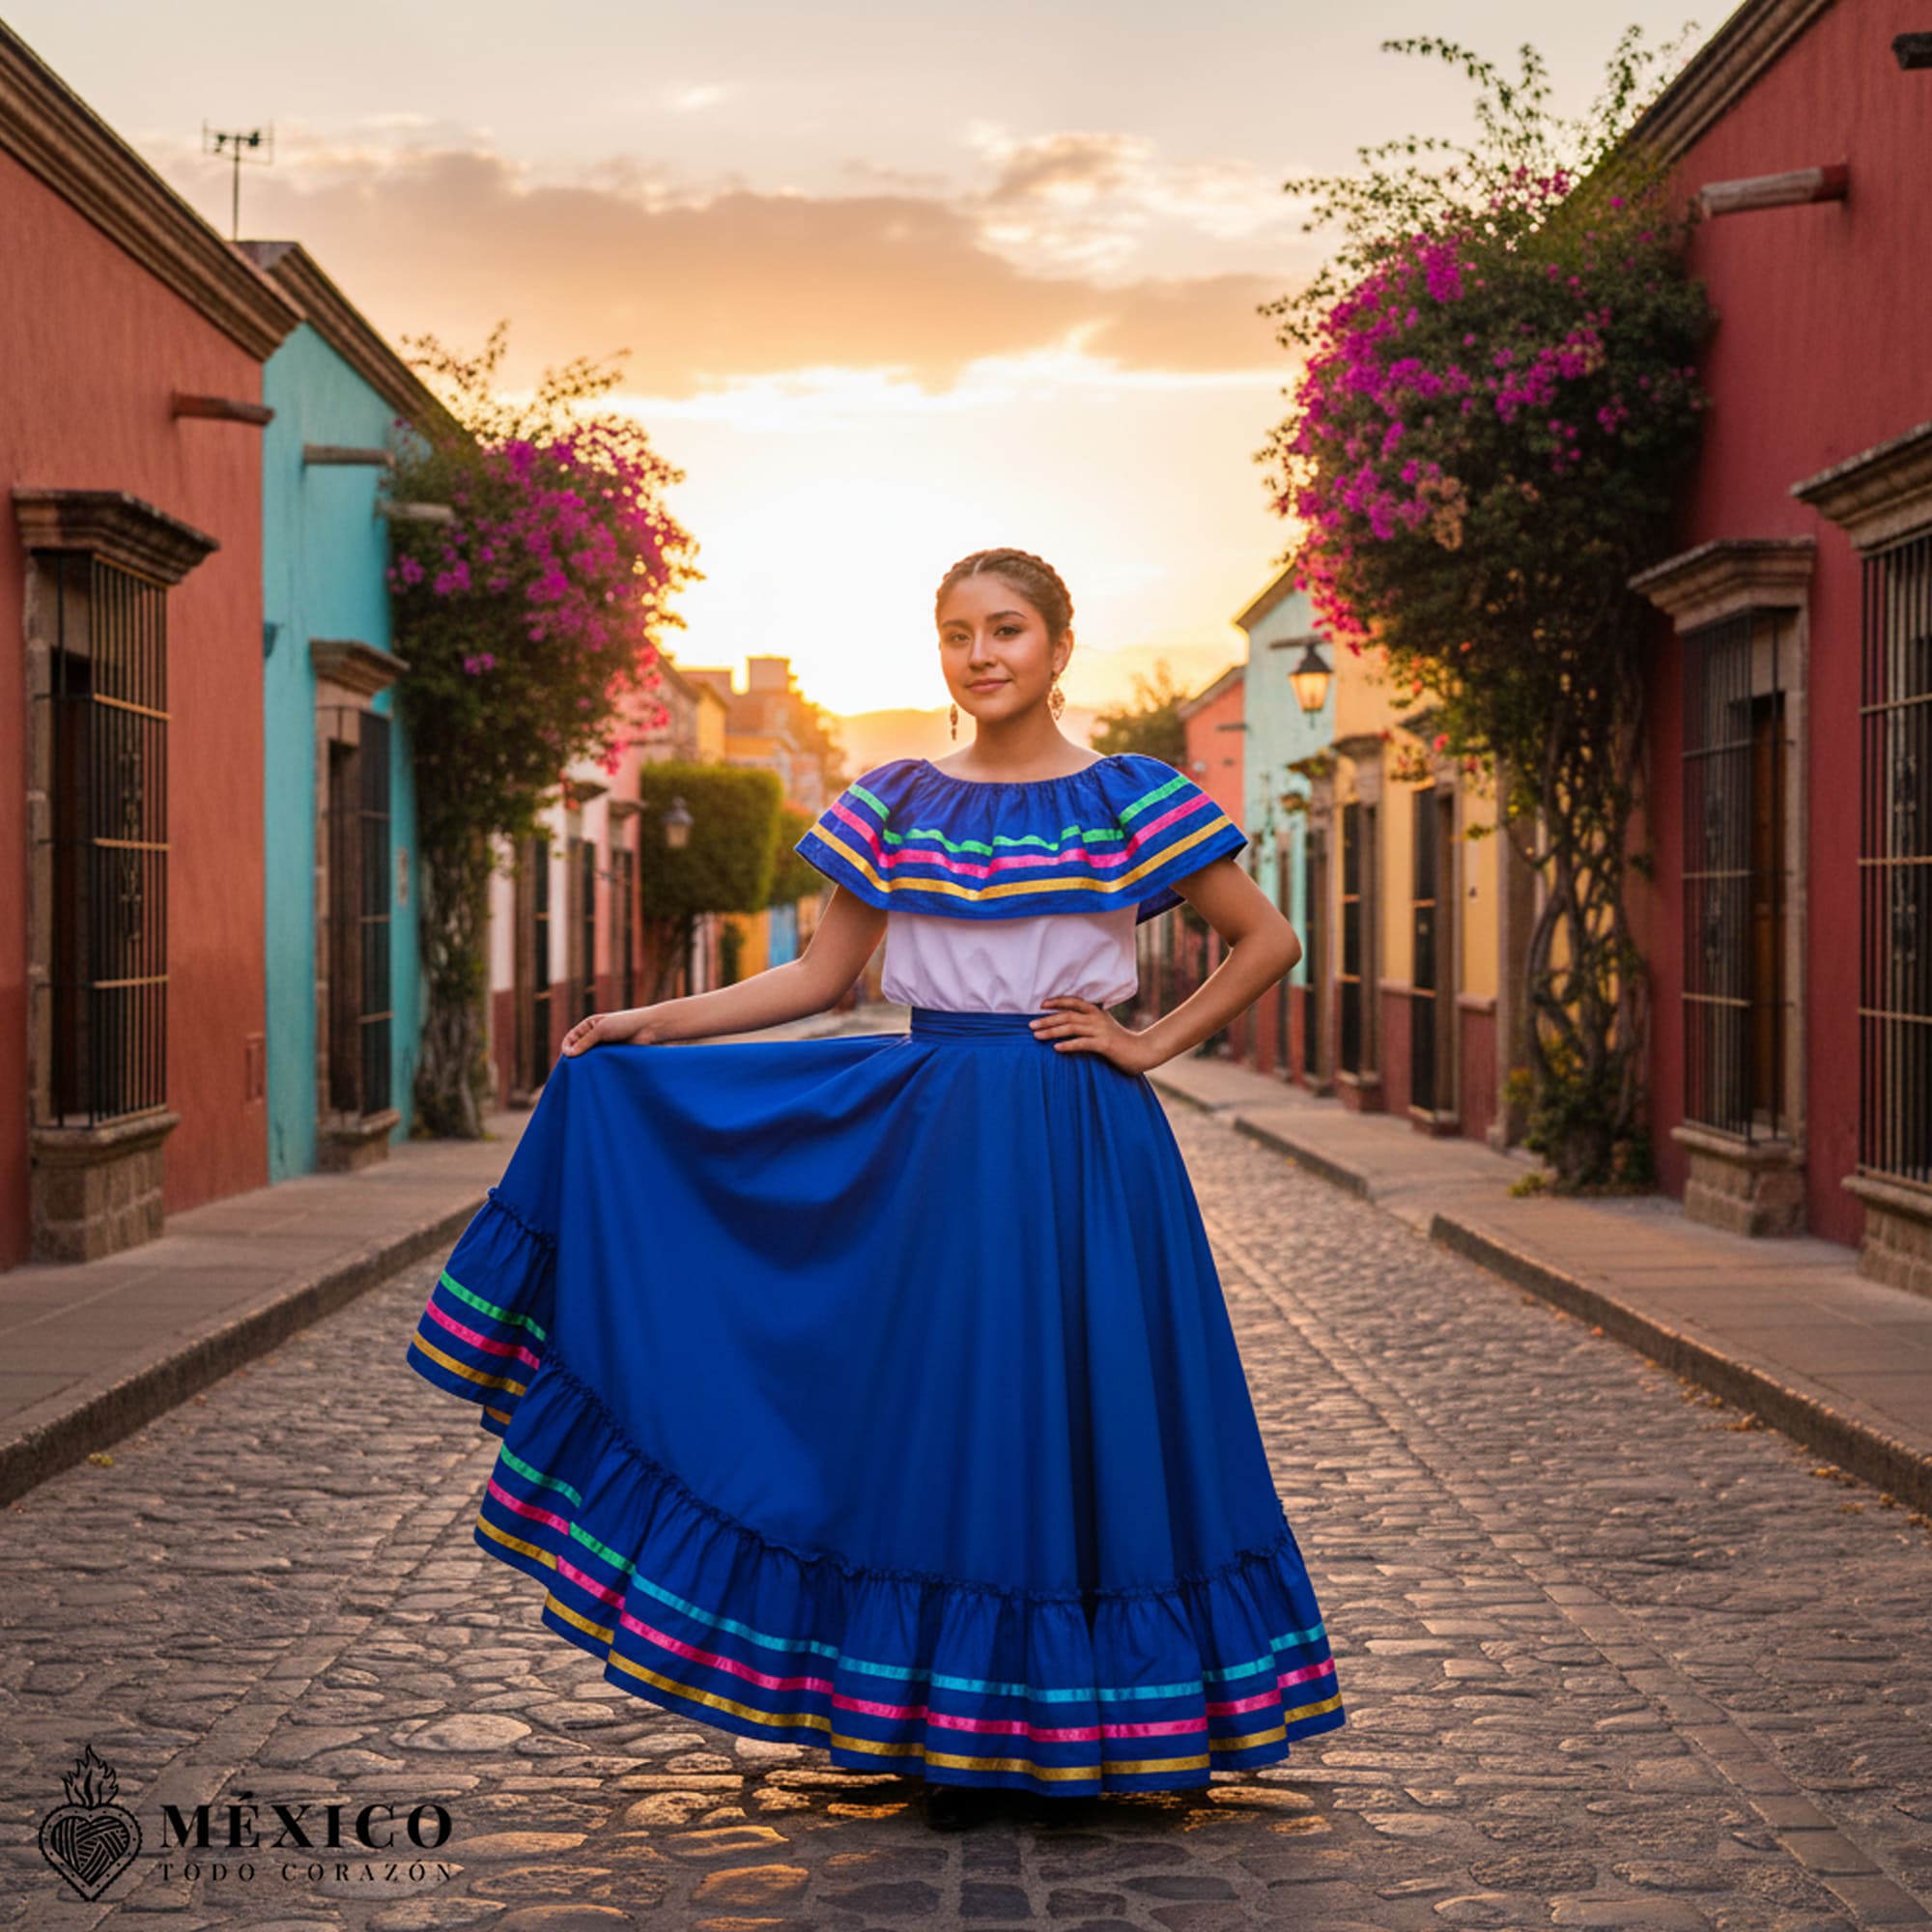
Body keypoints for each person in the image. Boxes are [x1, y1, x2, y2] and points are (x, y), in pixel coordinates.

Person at [405, 547, 1346, 1834]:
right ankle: (938, 1718)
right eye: (957, 632)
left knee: (1081, 1406)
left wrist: (1146, 1045)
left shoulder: (1134, 795)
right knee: (939, 1411)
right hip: (935, 1145)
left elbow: (1267, 938)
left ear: (1060, 646)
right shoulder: (894, 800)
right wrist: (648, 1024)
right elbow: (814, 980)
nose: (981, 654)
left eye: (1007, 629)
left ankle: (1093, 1717)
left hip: (1083, 1143)